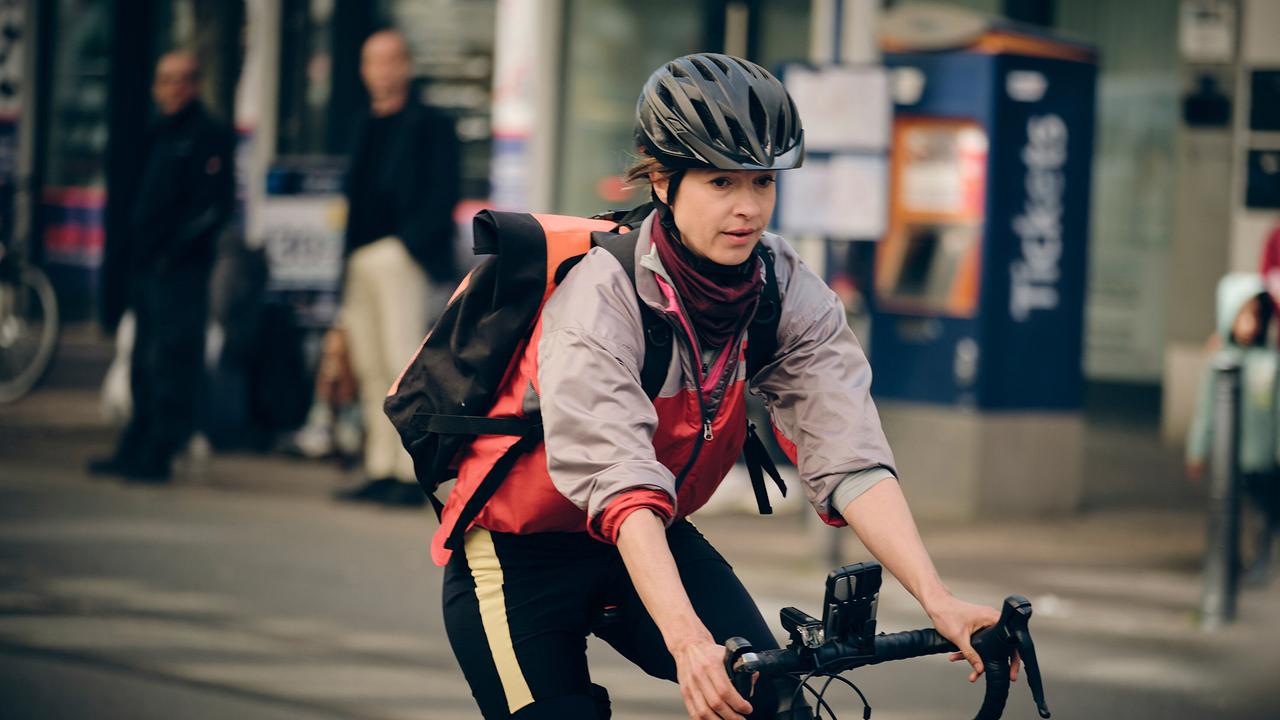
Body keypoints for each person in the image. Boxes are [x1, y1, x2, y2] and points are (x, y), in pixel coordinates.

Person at [436, 54, 1013, 720]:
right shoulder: (600, 299)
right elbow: (620, 484)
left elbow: (848, 453)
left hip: (650, 533)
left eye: (762, 182)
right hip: (518, 556)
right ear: (662, 181)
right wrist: (687, 643)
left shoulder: (783, 288)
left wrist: (937, 600)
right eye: (719, 182)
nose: (747, 209)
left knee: (776, 704)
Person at [88, 50, 234, 482]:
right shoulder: (157, 134)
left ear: (196, 85)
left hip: (181, 269)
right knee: (142, 358)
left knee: (171, 359)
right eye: (165, 80)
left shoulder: (207, 135)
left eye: (182, 80)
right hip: (147, 265)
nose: (173, 89)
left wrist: (175, 252)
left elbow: (213, 207)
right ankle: (136, 440)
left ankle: (161, 449)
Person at [331, 29, 461, 508]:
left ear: (405, 66)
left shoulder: (430, 124)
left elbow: (442, 193)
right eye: (372, 62)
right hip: (360, 257)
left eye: (389, 61)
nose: (381, 72)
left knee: (401, 365)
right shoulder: (362, 123)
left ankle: (410, 474)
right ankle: (379, 466)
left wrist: (409, 245)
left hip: (401, 255)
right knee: (367, 366)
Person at [1186, 273, 1279, 584]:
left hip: (1263, 455)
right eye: (1243, 315)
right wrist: (1198, 448)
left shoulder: (1270, 362)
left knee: (1264, 511)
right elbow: (1206, 410)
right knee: (1227, 510)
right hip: (1230, 454)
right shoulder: (1220, 360)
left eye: (1256, 315)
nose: (1250, 325)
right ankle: (1226, 562)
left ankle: (1261, 560)